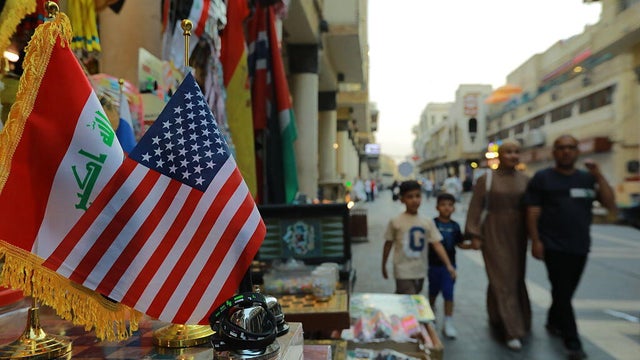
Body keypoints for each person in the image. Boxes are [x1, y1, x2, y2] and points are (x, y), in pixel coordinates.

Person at [525, 135, 615, 360]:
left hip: (580, 245)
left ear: (577, 152)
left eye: (571, 148)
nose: (566, 152)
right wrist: (535, 241)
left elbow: (609, 203)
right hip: (553, 245)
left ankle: (553, 320)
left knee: (565, 291)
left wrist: (599, 175)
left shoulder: (586, 179)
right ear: (554, 152)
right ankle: (572, 341)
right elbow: (532, 211)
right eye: (561, 148)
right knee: (563, 291)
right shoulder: (543, 178)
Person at [464, 140, 531, 351]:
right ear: (500, 155)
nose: (513, 155)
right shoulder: (487, 179)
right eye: (508, 152)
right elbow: (475, 207)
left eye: (516, 152)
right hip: (493, 232)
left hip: (518, 234)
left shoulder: (525, 180)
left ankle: (499, 317)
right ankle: (512, 330)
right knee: (502, 278)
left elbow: (533, 209)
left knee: (515, 277)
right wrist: (474, 235)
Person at [382, 180, 456, 295]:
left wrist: (448, 265)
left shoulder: (427, 222)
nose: (414, 200)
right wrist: (384, 265)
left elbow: (437, 244)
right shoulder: (395, 221)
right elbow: (388, 244)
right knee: (409, 297)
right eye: (409, 197)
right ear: (402, 199)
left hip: (420, 270)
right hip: (402, 270)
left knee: (411, 297)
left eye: (417, 196)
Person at [428, 193, 471, 339]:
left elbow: (459, 244)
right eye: (443, 205)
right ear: (437, 207)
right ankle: (431, 314)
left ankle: (448, 321)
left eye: (450, 205)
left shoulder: (455, 226)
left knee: (448, 293)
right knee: (432, 292)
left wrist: (472, 246)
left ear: (454, 208)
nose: (447, 208)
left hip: (449, 267)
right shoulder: (432, 224)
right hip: (433, 265)